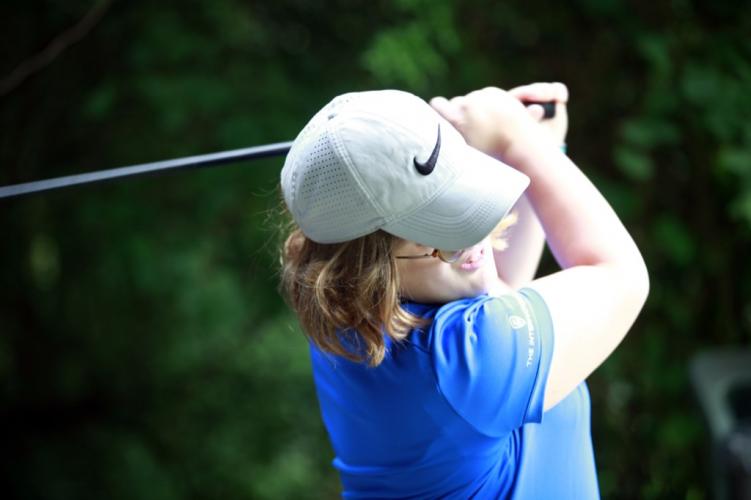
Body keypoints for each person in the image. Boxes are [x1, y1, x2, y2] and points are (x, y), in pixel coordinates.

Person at [279, 83, 649, 499]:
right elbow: (621, 275)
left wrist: (540, 148)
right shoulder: (463, 357)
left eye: (459, 200)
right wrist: (516, 137)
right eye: (438, 234)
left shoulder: (344, 309)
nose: (475, 238)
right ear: (369, 269)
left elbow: (500, 291)